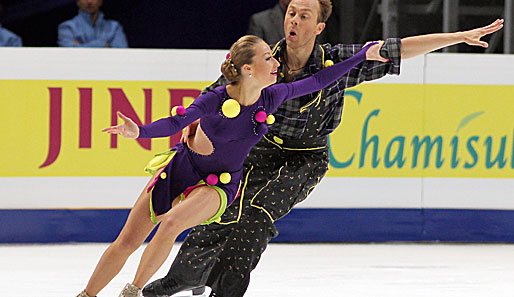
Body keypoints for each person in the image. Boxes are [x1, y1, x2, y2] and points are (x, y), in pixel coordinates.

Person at [142, 1, 504, 297]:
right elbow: (217, 94)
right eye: (291, 13)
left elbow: (399, 48)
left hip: (303, 160)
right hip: (257, 151)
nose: (294, 20)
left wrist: (458, 35)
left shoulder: (337, 63)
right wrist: (192, 124)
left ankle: (226, 290)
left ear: (318, 27)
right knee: (220, 206)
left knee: (255, 212)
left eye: (304, 15)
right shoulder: (264, 62)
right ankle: (185, 276)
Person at [75, 34, 380, 297]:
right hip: (181, 168)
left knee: (170, 224)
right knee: (127, 240)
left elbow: (318, 80)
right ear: (248, 69)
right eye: (267, 58)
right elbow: (176, 121)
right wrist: (138, 132)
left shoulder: (272, 97)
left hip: (218, 184)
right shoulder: (214, 99)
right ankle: (86, 294)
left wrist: (362, 56)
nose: (276, 62)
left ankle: (133, 290)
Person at [58, 0, 128, 48]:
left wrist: (81, 46)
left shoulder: (114, 27)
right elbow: (69, 54)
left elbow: (121, 52)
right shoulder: (67, 27)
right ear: (77, 2)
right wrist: (103, 45)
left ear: (100, 1)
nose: (89, 1)